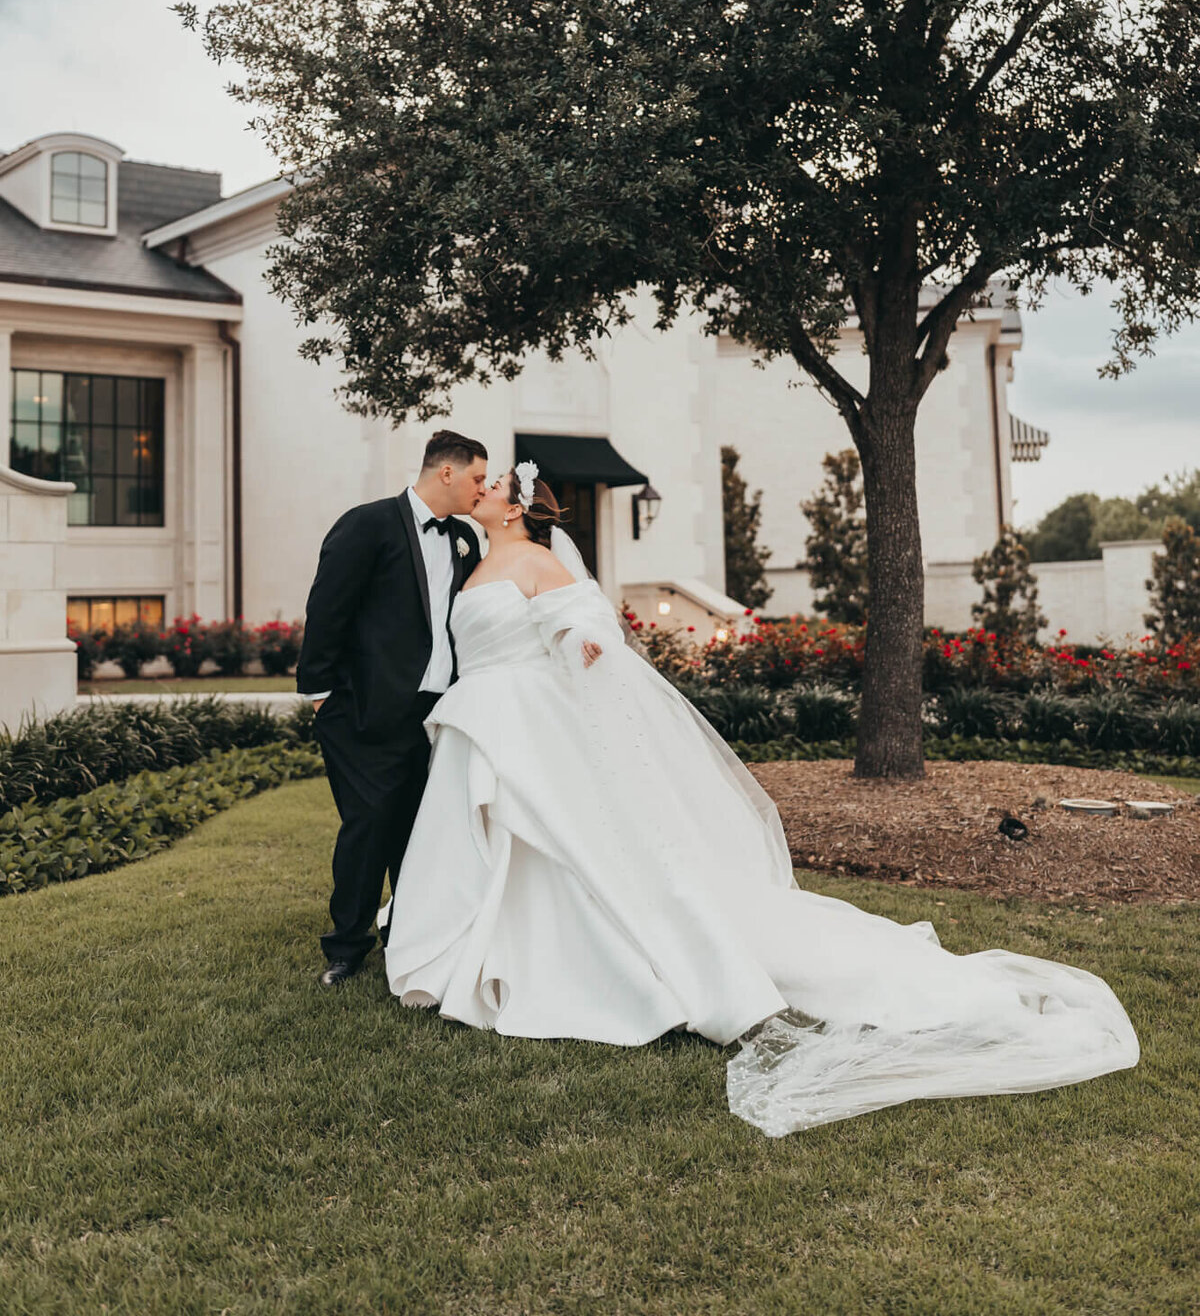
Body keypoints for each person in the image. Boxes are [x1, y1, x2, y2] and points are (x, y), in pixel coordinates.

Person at [379, 461, 1139, 1135]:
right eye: (477, 482)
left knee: (558, 848)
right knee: (506, 850)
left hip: (524, 726)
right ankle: (482, 949)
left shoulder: (540, 561)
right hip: (483, 719)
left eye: (493, 484)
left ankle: (576, 966)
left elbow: (586, 621)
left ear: (513, 507)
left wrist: (585, 645)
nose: (480, 488)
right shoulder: (477, 560)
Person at [297, 429, 487, 986]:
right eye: (477, 477)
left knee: (419, 829)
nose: (481, 489)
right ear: (446, 472)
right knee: (369, 824)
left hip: (434, 714)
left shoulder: (466, 542)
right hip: (361, 709)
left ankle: (408, 933)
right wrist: (321, 693)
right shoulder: (368, 523)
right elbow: (327, 607)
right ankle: (346, 946)